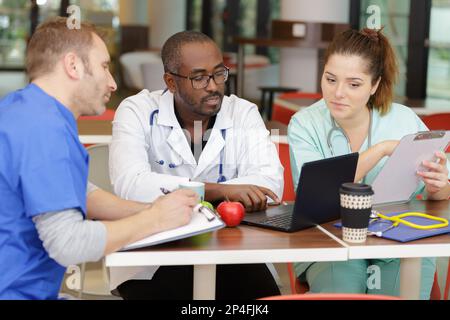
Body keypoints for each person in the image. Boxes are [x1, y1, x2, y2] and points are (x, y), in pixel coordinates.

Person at [0, 17, 198, 300]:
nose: (113, 83)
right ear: (73, 65)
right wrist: (155, 219)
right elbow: (67, 242)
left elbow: (80, 193)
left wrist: (152, 208)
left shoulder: (21, 108)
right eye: (105, 67)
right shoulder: (44, 128)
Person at [109, 31, 284, 299]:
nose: (213, 86)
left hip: (233, 251)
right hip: (156, 256)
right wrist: (219, 191)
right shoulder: (137, 111)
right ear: (171, 82)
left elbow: (270, 183)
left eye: (218, 74)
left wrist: (180, 192)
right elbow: (130, 185)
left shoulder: (243, 112)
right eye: (199, 77)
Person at [288, 28, 450, 299]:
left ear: (374, 85)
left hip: (399, 238)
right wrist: (381, 150)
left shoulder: (404, 120)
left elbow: (440, 195)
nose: (338, 93)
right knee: (344, 286)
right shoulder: (305, 123)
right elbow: (318, 194)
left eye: (354, 84)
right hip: (330, 240)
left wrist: (438, 185)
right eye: (330, 79)